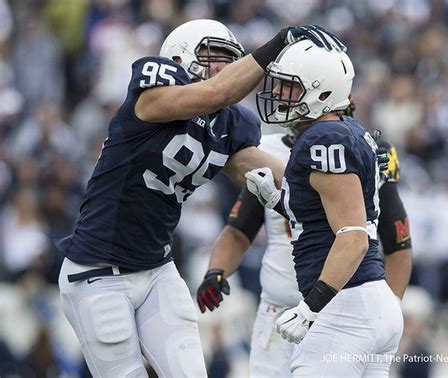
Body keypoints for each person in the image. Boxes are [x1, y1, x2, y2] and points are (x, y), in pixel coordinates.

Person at [55, 19, 345, 377]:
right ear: (178, 56)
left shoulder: (229, 125)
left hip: (157, 269)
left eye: (229, 60)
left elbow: (282, 174)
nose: (223, 68)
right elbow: (218, 93)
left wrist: (349, 166)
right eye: (214, 56)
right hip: (97, 272)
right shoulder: (152, 93)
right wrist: (277, 44)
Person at [197, 98, 412, 376]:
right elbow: (239, 230)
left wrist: (383, 309)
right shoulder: (271, 151)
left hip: (339, 307)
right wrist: (216, 270)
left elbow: (399, 247)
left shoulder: (361, 154)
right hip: (282, 306)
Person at [244, 39, 403, 376]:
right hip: (371, 301)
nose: (279, 94)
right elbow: (329, 216)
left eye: (290, 87)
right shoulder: (348, 132)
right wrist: (277, 201)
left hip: (345, 307)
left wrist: (310, 307)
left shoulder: (323, 140)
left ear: (321, 91)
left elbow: (353, 236)